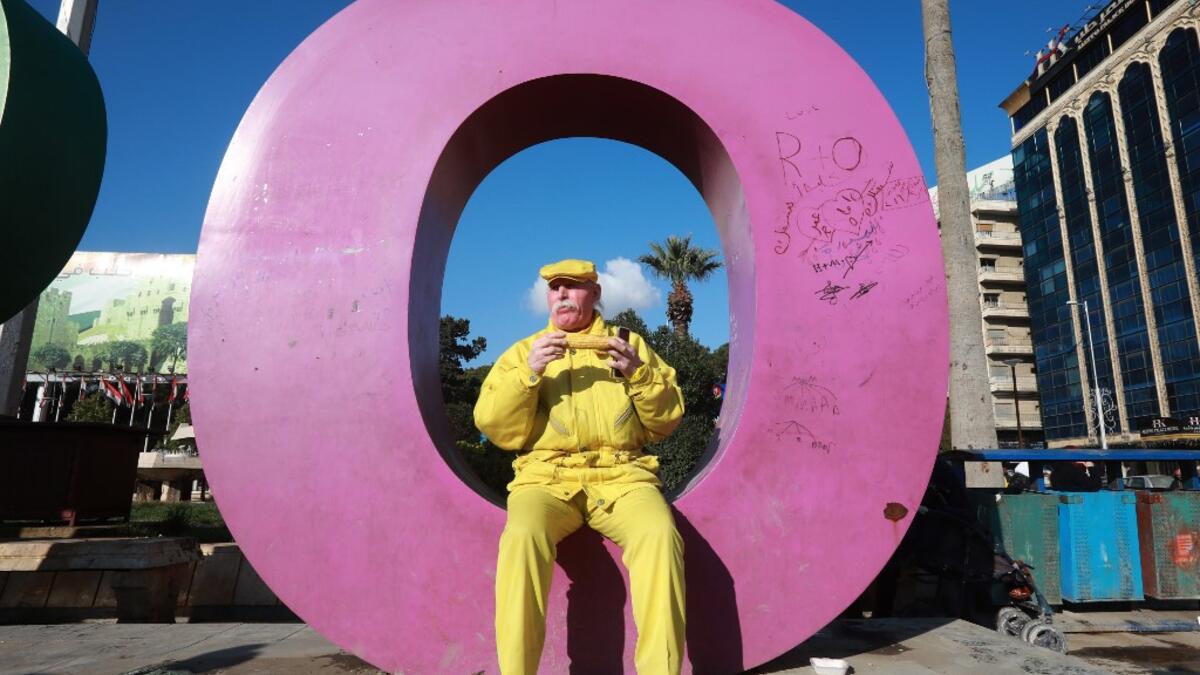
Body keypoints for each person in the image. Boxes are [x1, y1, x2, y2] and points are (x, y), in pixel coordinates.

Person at [474, 258, 687, 675]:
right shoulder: (524, 351)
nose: (563, 295)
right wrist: (528, 374)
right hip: (546, 479)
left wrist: (638, 375)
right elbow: (497, 429)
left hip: (623, 476)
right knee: (522, 537)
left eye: (574, 286)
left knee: (660, 534)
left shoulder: (631, 345)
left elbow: (667, 420)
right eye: (555, 288)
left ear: (596, 293)